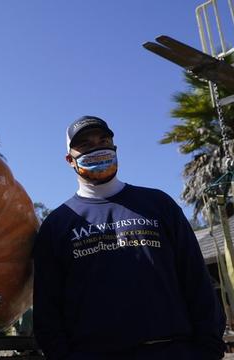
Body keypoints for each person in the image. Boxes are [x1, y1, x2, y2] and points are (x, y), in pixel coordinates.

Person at [32, 116, 226, 360]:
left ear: (115, 148)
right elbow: (47, 307)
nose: (98, 148)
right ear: (70, 160)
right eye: (86, 145)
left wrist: (208, 347)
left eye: (104, 141)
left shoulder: (159, 205)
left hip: (172, 350)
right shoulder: (56, 225)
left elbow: (196, 278)